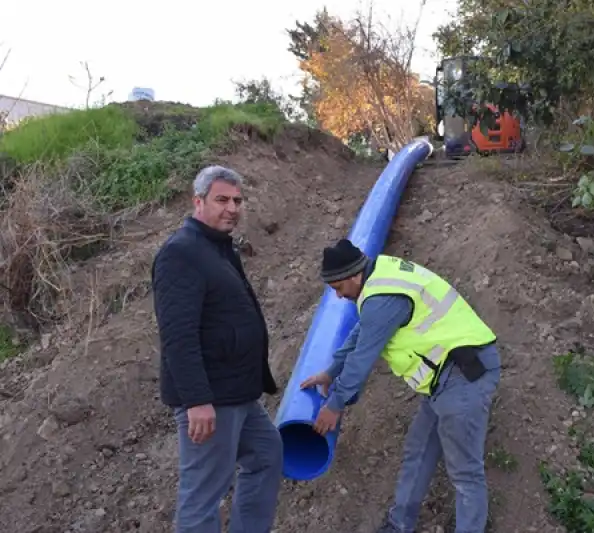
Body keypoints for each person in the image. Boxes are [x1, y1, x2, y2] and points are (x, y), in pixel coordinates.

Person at [300, 239, 501, 533]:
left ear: (352, 276)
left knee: (465, 473)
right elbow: (361, 332)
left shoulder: (382, 298)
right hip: (442, 379)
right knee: (417, 451)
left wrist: (335, 405)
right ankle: (399, 525)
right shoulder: (379, 279)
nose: (340, 297)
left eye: (339, 289)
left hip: (464, 374)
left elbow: (362, 359)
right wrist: (331, 372)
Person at [151, 165, 283, 533]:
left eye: (238, 200)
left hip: (239, 394)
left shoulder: (218, 249)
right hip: (212, 398)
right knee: (203, 494)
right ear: (198, 201)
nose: (232, 208)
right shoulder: (181, 253)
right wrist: (196, 400)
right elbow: (178, 335)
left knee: (266, 455)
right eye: (222, 199)